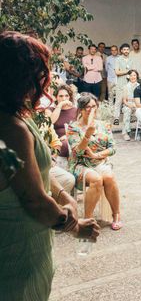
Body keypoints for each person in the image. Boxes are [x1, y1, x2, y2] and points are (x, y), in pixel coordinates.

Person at [0, 32, 100, 300]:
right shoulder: (11, 129)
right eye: (42, 73)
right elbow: (33, 200)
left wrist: (63, 194)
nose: (47, 80)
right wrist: (77, 228)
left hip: (29, 246)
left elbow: (35, 168)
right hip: (16, 253)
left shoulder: (19, 114)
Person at [67, 93, 123, 230]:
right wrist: (87, 134)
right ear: (80, 109)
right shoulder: (73, 128)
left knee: (109, 177)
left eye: (93, 106)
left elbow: (112, 148)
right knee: (97, 179)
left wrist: (96, 155)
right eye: (87, 107)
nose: (91, 110)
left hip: (100, 162)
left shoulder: (104, 125)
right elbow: (77, 152)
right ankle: (88, 219)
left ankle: (116, 214)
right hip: (80, 164)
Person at [113, 43, 132, 126]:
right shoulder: (118, 59)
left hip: (130, 84)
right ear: (121, 50)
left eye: (127, 49)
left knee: (128, 102)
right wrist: (127, 72)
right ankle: (116, 118)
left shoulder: (132, 60)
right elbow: (117, 72)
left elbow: (133, 72)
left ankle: (127, 118)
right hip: (121, 84)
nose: (126, 51)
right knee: (118, 102)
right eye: (124, 49)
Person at [120, 69, 140, 141]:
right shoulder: (126, 86)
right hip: (128, 103)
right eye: (131, 75)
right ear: (128, 77)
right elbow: (124, 100)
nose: (133, 77)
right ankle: (125, 132)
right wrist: (129, 105)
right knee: (127, 110)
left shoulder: (139, 86)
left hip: (138, 104)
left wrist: (137, 104)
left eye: (134, 75)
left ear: (137, 76)